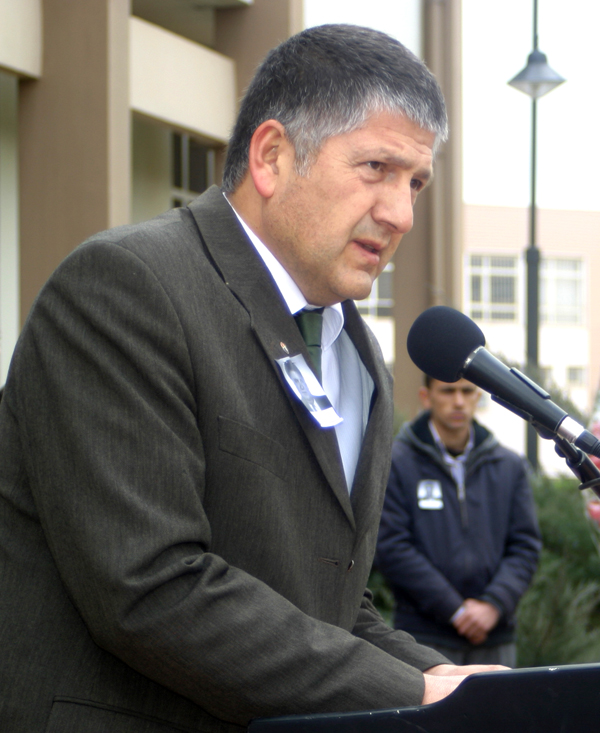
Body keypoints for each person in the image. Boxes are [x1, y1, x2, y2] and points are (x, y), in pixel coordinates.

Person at [0, 25, 503, 732]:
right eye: (376, 168)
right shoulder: (127, 287)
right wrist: (412, 693)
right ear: (272, 157)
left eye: (415, 182)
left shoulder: (358, 353)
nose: (401, 214)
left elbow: (329, 603)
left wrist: (457, 686)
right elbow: (149, 585)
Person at [376, 375, 541, 667]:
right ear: (426, 396)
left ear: (478, 396)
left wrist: (493, 604)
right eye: (448, 391)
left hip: (495, 636)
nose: (459, 401)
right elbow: (390, 545)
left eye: (467, 391)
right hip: (423, 637)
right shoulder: (396, 462)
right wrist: (455, 610)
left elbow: (525, 545)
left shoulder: (509, 465)